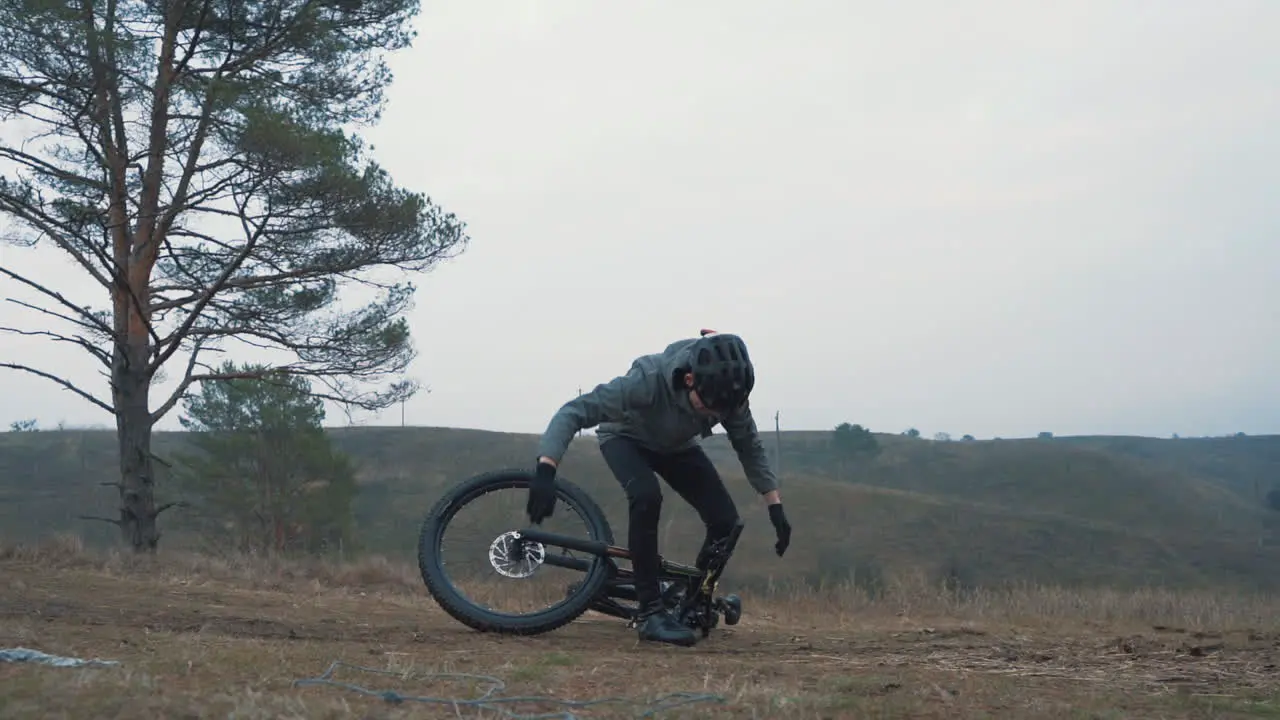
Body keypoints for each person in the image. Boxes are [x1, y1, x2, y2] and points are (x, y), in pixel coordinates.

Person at [525, 329, 792, 646]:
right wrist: (546, 470)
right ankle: (651, 614)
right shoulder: (646, 382)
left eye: (720, 412)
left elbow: (749, 447)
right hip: (625, 439)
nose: (713, 416)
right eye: (708, 408)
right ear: (689, 379)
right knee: (646, 496)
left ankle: (690, 604)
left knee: (725, 522)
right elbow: (574, 412)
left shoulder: (727, 395)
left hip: (676, 447)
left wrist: (774, 506)